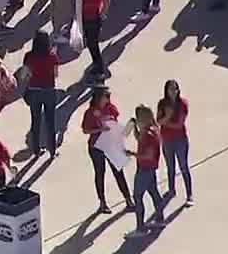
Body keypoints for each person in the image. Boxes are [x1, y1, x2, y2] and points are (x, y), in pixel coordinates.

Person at [82, 88, 133, 213]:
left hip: (110, 145)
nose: (108, 98)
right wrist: (100, 130)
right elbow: (85, 130)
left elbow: (115, 122)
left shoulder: (111, 108)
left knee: (118, 172)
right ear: (99, 98)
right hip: (96, 146)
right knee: (100, 173)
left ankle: (128, 199)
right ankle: (102, 203)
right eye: (106, 96)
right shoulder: (90, 112)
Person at [126, 105, 167, 237]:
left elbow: (148, 155)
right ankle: (160, 219)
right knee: (154, 192)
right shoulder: (151, 130)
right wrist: (134, 129)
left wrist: (132, 154)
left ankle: (140, 228)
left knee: (137, 197)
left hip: (144, 169)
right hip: (150, 168)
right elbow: (139, 138)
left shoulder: (149, 135)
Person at [22, 31, 61, 157]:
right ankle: (52, 151)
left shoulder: (29, 56)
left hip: (34, 91)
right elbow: (56, 75)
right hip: (49, 91)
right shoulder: (52, 57)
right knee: (50, 122)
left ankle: (36, 150)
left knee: (35, 121)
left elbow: (23, 75)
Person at [156, 80, 192, 205]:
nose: (173, 92)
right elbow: (158, 121)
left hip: (180, 140)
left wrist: (166, 119)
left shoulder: (182, 104)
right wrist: (167, 117)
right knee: (170, 167)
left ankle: (189, 195)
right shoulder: (162, 103)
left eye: (175, 89)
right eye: (170, 89)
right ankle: (171, 190)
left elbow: (179, 124)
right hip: (167, 140)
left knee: (183, 167)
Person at [78, 0, 113, 80]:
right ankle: (96, 64)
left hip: (92, 19)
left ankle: (100, 69)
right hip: (85, 17)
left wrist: (102, 13)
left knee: (93, 45)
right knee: (90, 43)